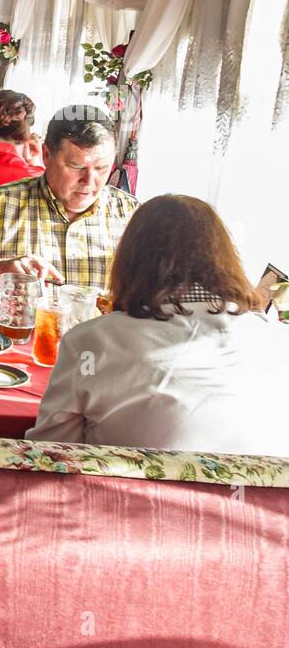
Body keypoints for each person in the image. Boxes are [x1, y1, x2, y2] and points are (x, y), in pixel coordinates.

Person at [26, 195, 289, 455]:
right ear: (225, 258)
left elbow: (51, 454)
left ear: (131, 259)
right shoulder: (274, 342)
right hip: (256, 496)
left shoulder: (93, 341)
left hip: (127, 495)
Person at [0, 105, 138, 294]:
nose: (89, 181)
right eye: (76, 166)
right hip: (14, 338)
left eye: (101, 168)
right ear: (46, 155)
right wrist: (1, 269)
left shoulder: (132, 215)